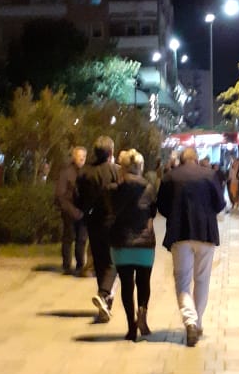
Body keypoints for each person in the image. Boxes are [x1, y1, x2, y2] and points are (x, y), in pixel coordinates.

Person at [157, 146, 225, 346]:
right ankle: (198, 320)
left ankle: (190, 320)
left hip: (180, 234)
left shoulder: (170, 177)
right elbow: (220, 204)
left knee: (183, 280)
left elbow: (162, 206)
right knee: (202, 279)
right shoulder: (210, 175)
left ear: (181, 159)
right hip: (205, 233)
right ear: (196, 159)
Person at [108, 149, 157, 341]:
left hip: (121, 243)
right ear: (140, 167)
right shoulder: (149, 188)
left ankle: (131, 327)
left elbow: (110, 211)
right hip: (145, 244)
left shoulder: (113, 189)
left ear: (123, 167)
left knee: (126, 285)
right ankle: (142, 311)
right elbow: (153, 213)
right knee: (144, 282)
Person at [77, 135, 118, 322]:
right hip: (112, 222)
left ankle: (105, 305)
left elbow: (79, 197)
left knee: (100, 262)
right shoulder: (116, 171)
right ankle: (103, 294)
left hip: (93, 223)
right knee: (113, 262)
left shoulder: (85, 172)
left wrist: (85, 213)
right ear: (110, 152)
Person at [54, 146, 88, 276]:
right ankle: (67, 266)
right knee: (68, 238)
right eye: (79, 156)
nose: (82, 159)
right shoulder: (66, 173)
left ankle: (80, 265)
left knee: (82, 239)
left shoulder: (87, 172)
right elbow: (60, 195)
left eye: (84, 156)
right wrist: (72, 211)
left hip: (83, 212)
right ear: (74, 157)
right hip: (69, 211)